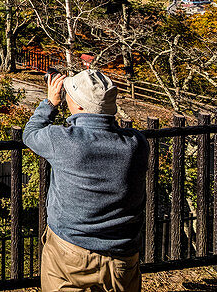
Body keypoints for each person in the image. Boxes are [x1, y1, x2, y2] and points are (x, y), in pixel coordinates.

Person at [23, 68, 149, 292]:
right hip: (122, 254)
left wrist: (50, 103)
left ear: (79, 106)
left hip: (70, 249)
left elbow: (31, 133)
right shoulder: (136, 144)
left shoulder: (64, 140)